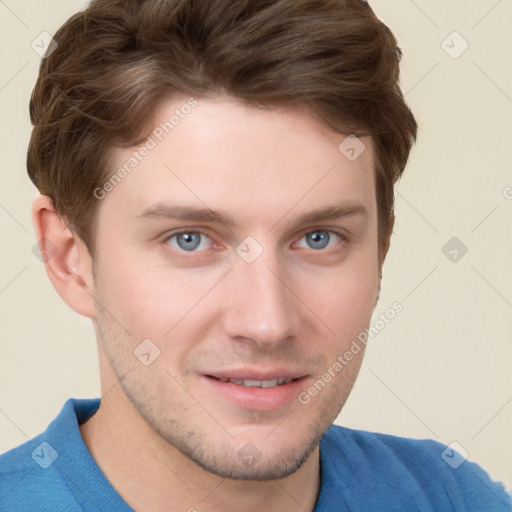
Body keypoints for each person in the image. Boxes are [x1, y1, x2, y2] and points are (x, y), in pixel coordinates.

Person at [0, 0, 510, 511]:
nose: (267, 323)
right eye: (190, 240)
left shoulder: (453, 497)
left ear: (380, 250)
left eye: (318, 238)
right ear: (70, 259)